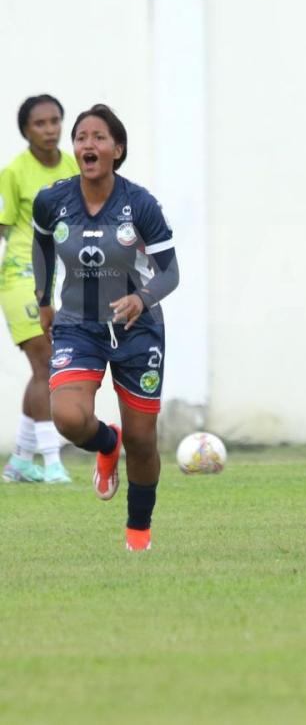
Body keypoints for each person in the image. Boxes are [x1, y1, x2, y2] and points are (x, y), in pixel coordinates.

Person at [32, 105, 178, 551]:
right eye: (81, 138)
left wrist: (142, 298)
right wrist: (43, 300)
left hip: (138, 328)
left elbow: (170, 273)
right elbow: (41, 247)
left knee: (143, 440)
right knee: (68, 417)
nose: (87, 145)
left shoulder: (141, 204)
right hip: (78, 325)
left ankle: (138, 532)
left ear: (118, 149)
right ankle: (105, 442)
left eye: (98, 138)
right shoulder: (52, 200)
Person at [1, 95, 79, 484]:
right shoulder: (14, 173)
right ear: (26, 130)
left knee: (42, 368)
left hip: (58, 281)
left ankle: (19, 462)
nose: (50, 130)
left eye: (55, 121)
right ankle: (52, 463)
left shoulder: (71, 167)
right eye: (40, 124)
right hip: (20, 279)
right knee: (46, 364)